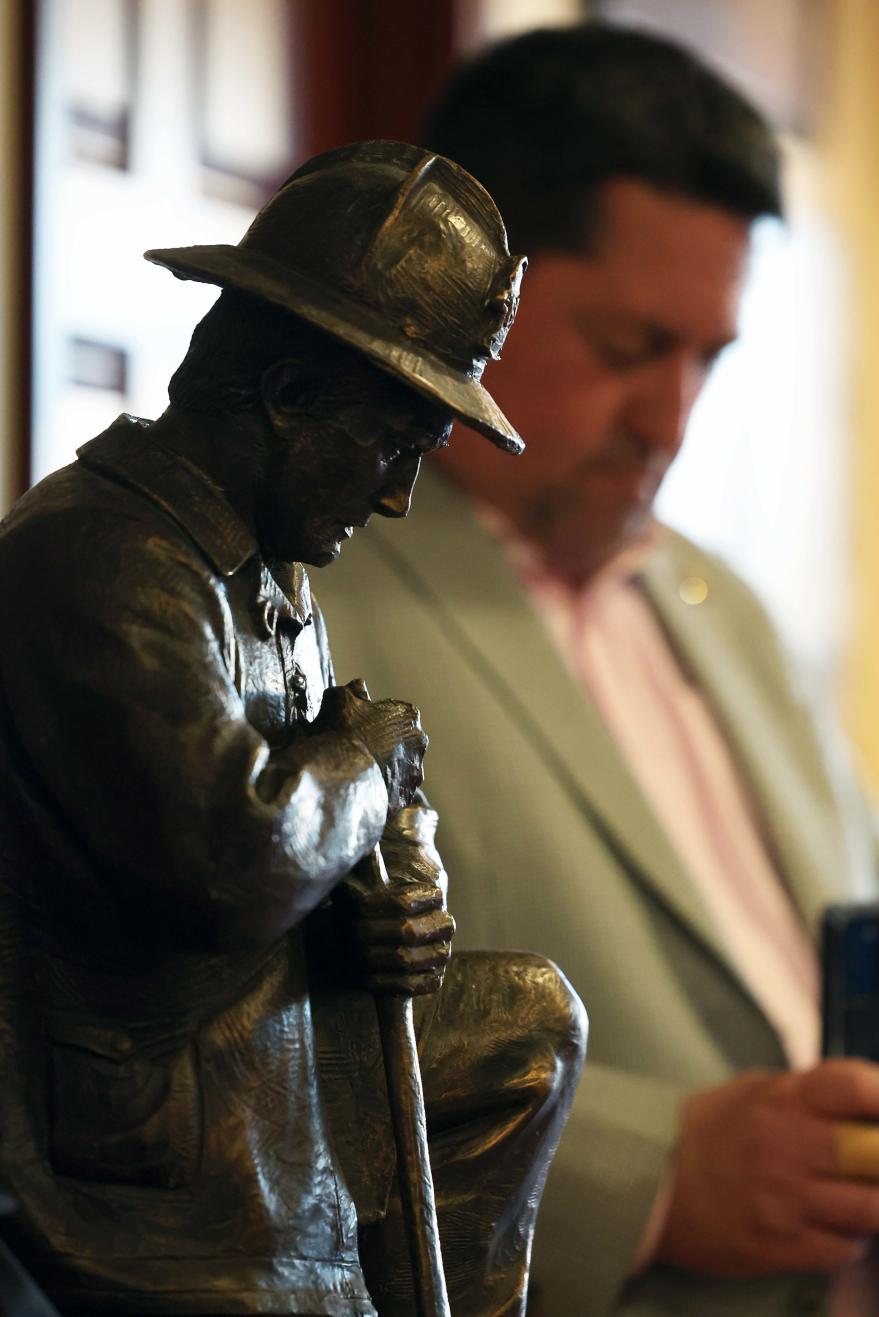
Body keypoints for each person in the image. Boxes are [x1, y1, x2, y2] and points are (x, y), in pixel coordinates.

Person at [314, 29, 879, 1317]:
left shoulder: (730, 611)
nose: (672, 420)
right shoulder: (307, 602)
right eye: (625, 345)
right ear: (464, 295)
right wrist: (648, 1177)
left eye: (708, 358)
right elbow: (227, 1052)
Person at [0, 141, 585, 1317]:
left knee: (529, 1022)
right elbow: (238, 858)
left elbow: (327, 833)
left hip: (273, 1058)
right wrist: (368, 767)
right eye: (393, 445)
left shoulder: (258, 571)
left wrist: (395, 895)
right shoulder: (102, 558)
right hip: (155, 1127)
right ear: (290, 396)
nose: (395, 498)